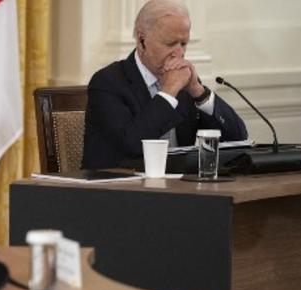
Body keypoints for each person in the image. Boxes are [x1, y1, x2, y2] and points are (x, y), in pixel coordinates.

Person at [81, 0, 248, 170]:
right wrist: (168, 93)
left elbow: (238, 139)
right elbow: (131, 146)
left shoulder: (184, 86)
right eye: (170, 44)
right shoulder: (108, 83)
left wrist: (199, 92)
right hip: (119, 189)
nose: (179, 53)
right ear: (141, 40)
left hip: (178, 188)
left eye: (183, 44)